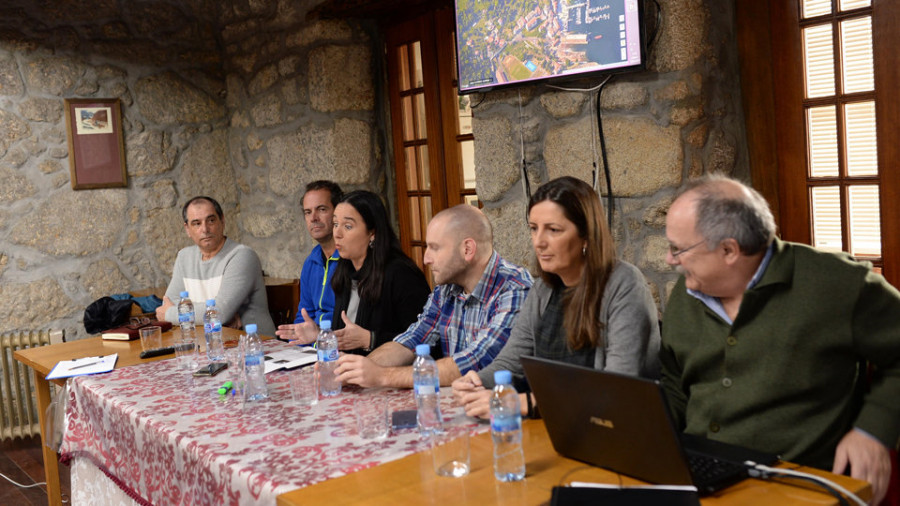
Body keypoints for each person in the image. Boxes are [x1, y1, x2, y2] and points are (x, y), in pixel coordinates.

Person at [659, 174, 900, 504]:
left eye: (678, 249)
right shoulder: (686, 294)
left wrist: (872, 431)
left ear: (729, 249)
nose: (670, 260)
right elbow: (674, 383)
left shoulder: (838, 284)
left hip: (794, 487)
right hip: (694, 479)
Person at [453, 176, 660, 418]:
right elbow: (510, 362)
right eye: (533, 228)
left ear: (586, 236)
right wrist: (476, 381)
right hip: (561, 425)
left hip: (619, 430)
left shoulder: (623, 284)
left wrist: (527, 402)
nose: (539, 242)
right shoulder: (543, 289)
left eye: (553, 230)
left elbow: (616, 386)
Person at [333, 204, 533, 388]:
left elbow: (475, 361)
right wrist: (353, 371)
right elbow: (410, 341)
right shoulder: (446, 290)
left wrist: (383, 376)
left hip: (505, 415)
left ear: (467, 249)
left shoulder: (514, 288)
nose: (426, 259)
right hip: (458, 405)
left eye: (435, 248)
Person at [278, 190, 430, 354]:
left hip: (391, 376)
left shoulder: (401, 275)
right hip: (349, 370)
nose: (337, 233)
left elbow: (426, 342)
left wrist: (370, 339)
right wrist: (320, 335)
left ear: (372, 233)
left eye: (348, 226)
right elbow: (346, 339)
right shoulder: (345, 271)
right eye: (336, 224)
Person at [156, 196, 276, 336]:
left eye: (211, 220)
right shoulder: (184, 257)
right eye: (196, 223)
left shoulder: (242, 256)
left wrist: (171, 314)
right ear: (187, 229)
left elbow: (221, 312)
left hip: (257, 348)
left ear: (222, 221)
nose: (205, 229)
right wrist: (214, 317)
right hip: (211, 345)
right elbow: (170, 301)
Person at [295, 181, 342, 327]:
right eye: (308, 212)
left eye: (321, 209)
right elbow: (304, 316)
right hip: (314, 344)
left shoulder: (351, 259)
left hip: (339, 343)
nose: (313, 218)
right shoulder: (311, 262)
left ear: (338, 212)